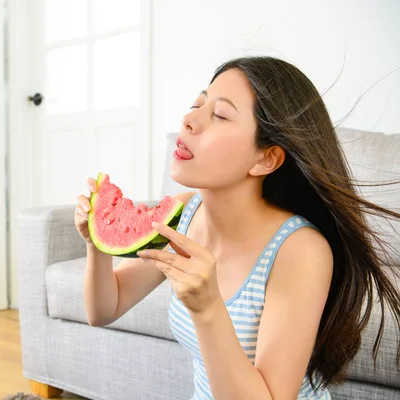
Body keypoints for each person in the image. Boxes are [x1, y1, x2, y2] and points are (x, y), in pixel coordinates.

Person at [74, 55, 400, 400]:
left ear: (265, 158)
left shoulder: (300, 250)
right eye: (196, 105)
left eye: (219, 114)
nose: (188, 120)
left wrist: (208, 307)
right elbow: (104, 310)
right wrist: (96, 241)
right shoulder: (184, 213)